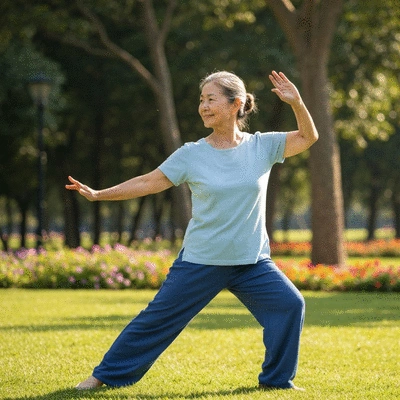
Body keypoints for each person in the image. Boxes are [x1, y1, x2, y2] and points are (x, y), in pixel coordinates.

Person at [66, 70, 318, 391]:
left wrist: (297, 103)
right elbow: (148, 181)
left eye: (211, 99)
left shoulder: (262, 147)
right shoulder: (191, 154)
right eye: (201, 100)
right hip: (202, 260)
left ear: (235, 104)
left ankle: (277, 381)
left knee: (289, 304)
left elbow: (308, 138)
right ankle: (103, 377)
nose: (203, 106)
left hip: (251, 261)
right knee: (156, 321)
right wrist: (100, 194)